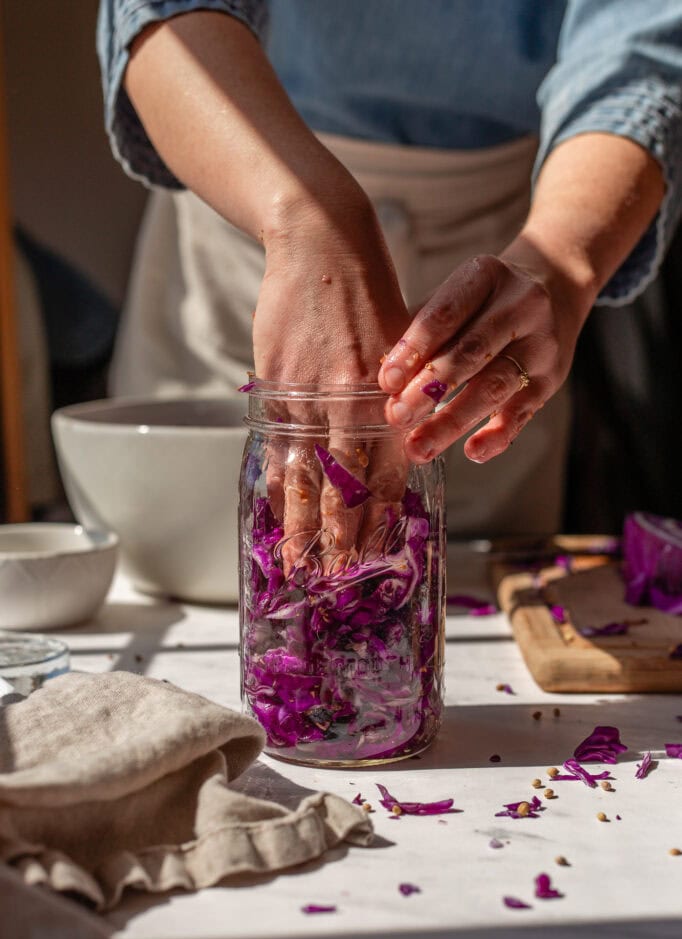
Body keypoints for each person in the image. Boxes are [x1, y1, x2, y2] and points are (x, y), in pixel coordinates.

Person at [96, 1, 682, 538]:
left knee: (469, 580)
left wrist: (562, 260)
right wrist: (310, 218)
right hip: (245, 196)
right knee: (212, 561)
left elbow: (638, 50)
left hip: (507, 240)